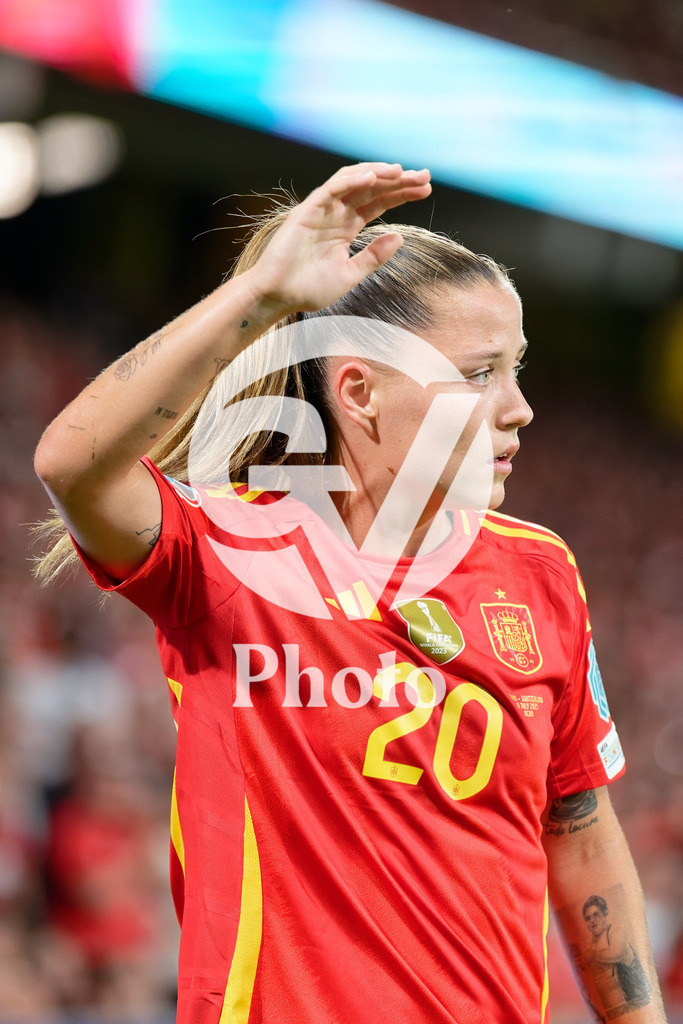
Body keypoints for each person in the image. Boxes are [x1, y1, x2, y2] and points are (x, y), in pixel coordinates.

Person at [33, 163, 666, 1023]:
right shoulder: (229, 556)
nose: (517, 409)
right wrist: (261, 292)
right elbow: (72, 463)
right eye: (479, 375)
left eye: (517, 370)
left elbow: (580, 831)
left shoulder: (539, 570)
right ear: (361, 392)